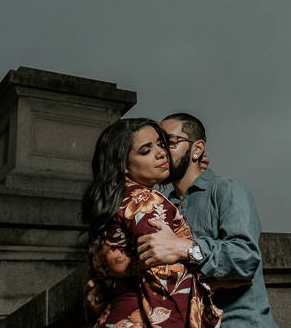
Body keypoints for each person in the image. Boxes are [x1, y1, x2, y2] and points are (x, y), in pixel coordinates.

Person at [88, 113, 277, 328]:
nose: (163, 151)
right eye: (153, 146)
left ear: (197, 149)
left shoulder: (226, 190)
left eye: (168, 142)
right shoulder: (158, 205)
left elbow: (246, 258)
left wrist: (185, 247)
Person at [81, 118, 222, 328]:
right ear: (123, 166)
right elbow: (168, 283)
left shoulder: (109, 208)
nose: (161, 153)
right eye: (145, 150)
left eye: (161, 144)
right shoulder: (146, 202)